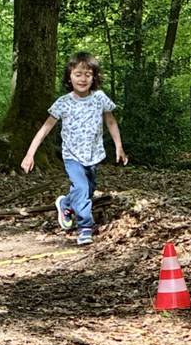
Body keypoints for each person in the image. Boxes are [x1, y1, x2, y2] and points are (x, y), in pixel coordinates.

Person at [20, 52, 127, 245]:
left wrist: (119, 146)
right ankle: (85, 227)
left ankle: (65, 203)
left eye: (88, 74)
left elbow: (111, 122)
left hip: (93, 155)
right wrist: (30, 154)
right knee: (81, 188)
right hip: (72, 156)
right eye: (78, 74)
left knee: (87, 190)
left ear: (94, 77)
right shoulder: (63, 103)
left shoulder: (100, 98)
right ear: (69, 76)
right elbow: (45, 129)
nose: (83, 79)